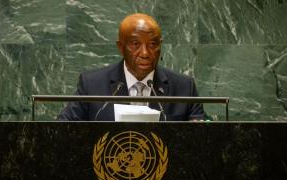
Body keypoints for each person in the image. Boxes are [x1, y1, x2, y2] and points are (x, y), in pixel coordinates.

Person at [58, 13, 205, 121]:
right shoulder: (92, 85)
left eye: (153, 44)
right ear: (121, 47)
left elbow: (204, 133)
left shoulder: (184, 87)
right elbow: (63, 127)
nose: (145, 53)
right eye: (135, 44)